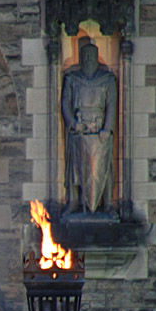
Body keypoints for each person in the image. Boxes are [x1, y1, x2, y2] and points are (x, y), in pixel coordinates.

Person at [61, 42, 118, 218]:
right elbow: (65, 104)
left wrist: (107, 129)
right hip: (79, 130)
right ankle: (73, 202)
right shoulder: (72, 79)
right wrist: (72, 123)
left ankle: (107, 204)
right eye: (85, 56)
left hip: (99, 131)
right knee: (75, 169)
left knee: (103, 167)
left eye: (91, 56)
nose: (88, 59)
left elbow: (111, 105)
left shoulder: (107, 80)